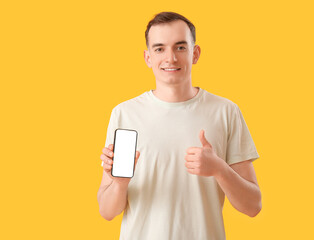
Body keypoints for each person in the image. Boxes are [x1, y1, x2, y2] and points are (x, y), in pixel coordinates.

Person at [97, 11, 262, 240]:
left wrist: (219, 169)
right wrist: (120, 183)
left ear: (195, 54)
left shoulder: (226, 111)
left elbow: (253, 206)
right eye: (160, 48)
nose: (170, 58)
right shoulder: (124, 114)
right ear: (147, 58)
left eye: (180, 47)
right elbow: (107, 211)